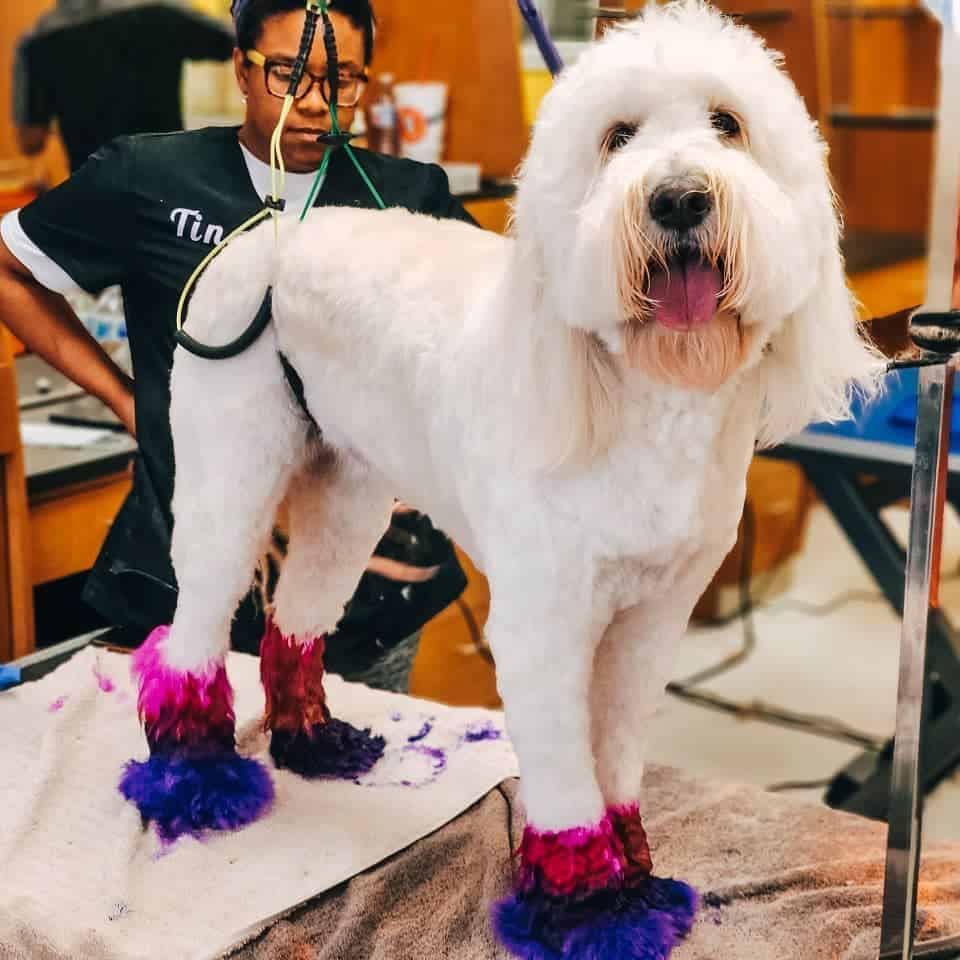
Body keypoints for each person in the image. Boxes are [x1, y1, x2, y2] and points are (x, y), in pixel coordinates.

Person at [0, 0, 474, 691]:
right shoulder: (151, 177)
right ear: (242, 70)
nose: (315, 105)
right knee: (195, 767)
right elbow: (11, 272)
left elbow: (480, 346)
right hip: (189, 578)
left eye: (342, 83)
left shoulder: (409, 197)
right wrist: (131, 403)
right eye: (288, 73)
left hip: (365, 591)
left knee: (352, 783)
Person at [14, 0, 236, 173]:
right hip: (166, 183)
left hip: (88, 193)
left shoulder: (37, 41)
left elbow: (30, 141)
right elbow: (234, 39)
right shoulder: (161, 14)